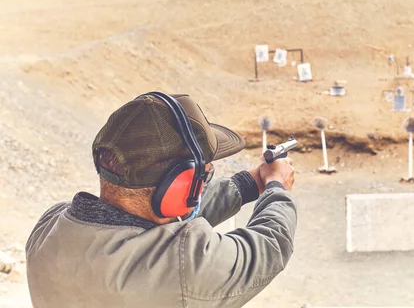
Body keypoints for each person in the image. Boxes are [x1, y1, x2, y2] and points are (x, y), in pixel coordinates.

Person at [25, 92, 297, 308]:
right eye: (203, 176)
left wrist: (247, 184)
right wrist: (277, 185)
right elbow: (271, 245)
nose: (202, 185)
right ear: (178, 186)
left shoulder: (48, 229)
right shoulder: (185, 270)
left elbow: (156, 228)